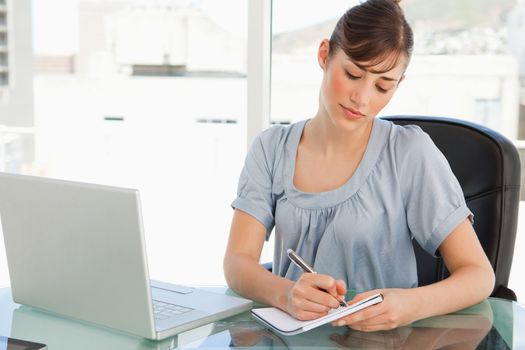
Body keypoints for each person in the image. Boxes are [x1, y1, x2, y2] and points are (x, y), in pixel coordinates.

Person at [223, 0, 495, 332]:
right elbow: (237, 263)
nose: (363, 98)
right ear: (324, 55)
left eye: (383, 86)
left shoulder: (409, 153)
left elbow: (479, 275)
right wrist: (286, 294)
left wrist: (411, 305)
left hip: (386, 341)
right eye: (353, 74)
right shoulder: (271, 148)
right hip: (292, 340)